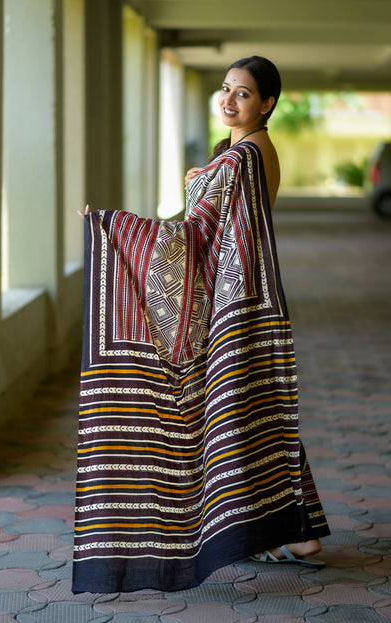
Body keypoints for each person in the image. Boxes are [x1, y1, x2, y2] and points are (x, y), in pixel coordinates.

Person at [73, 55, 330, 594]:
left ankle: (272, 531)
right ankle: (296, 533)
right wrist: (201, 182)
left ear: (268, 104)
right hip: (243, 299)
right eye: (226, 89)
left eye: (243, 93)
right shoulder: (244, 154)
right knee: (258, 410)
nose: (229, 100)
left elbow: (189, 239)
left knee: (235, 411)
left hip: (231, 304)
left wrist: (113, 225)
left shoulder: (243, 159)